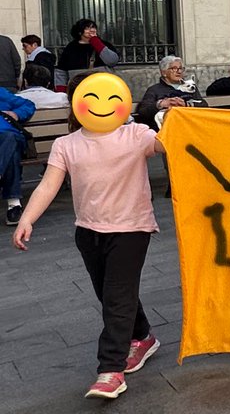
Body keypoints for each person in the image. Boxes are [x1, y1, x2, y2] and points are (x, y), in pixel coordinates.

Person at [11, 73, 164, 399]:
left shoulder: (135, 135)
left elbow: (170, 144)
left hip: (132, 228)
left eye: (111, 97)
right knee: (112, 293)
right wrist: (27, 218)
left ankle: (110, 369)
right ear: (77, 104)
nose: (102, 105)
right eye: (93, 97)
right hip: (89, 232)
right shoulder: (67, 144)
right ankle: (143, 337)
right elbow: (48, 185)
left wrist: (176, 118)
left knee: (115, 297)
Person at [136, 56, 207, 129]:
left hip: (189, 126)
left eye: (180, 68)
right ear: (164, 73)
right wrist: (161, 104)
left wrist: (187, 104)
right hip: (166, 130)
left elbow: (204, 105)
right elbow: (143, 113)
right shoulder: (154, 90)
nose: (179, 72)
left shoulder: (190, 87)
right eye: (174, 68)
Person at [1, 85, 36, 225]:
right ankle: (14, 204)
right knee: (11, 154)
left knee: (9, 139)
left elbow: (28, 105)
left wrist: (16, 114)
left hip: (8, 137)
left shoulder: (1, 93)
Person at [55, 19, 120, 90]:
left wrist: (95, 41)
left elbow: (112, 61)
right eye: (87, 28)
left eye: (93, 27)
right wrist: (61, 90)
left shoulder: (104, 44)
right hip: (78, 88)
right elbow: (61, 71)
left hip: (102, 86)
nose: (91, 30)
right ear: (80, 32)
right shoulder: (70, 48)